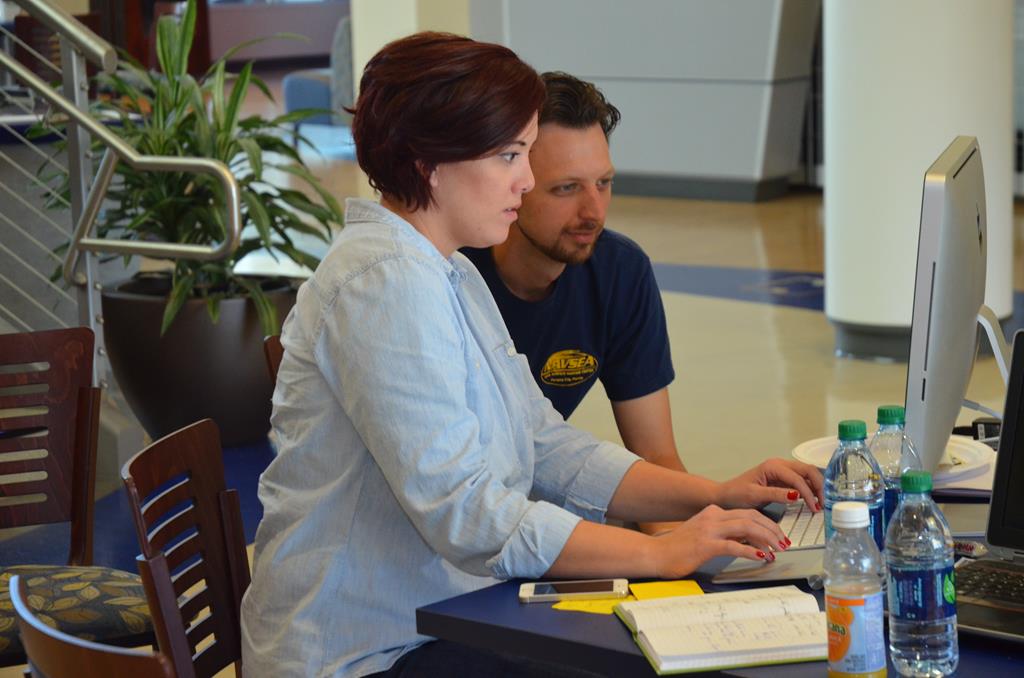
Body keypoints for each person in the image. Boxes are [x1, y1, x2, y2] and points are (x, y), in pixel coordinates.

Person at [240, 32, 823, 678]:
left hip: (438, 616)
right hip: (362, 653)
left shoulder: (448, 271)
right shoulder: (382, 283)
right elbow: (466, 513)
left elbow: (544, 443)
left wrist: (713, 495)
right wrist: (657, 554)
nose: (525, 179)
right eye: (510, 155)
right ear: (429, 162)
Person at [462, 74, 682, 536]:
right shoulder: (451, 276)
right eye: (566, 189)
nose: (594, 212)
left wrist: (688, 557)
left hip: (533, 504)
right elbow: (457, 502)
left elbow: (656, 456)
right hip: (458, 519)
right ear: (514, 184)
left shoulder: (620, 272)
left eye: (603, 183)